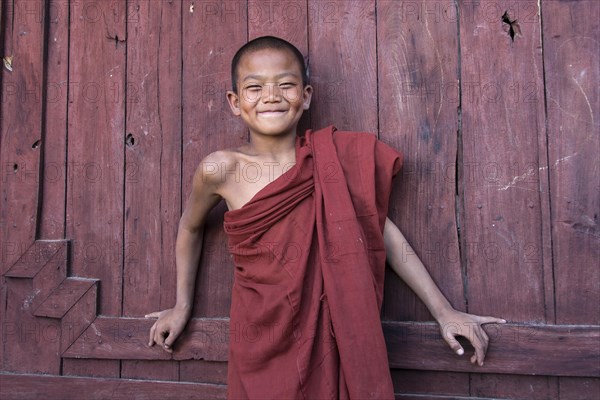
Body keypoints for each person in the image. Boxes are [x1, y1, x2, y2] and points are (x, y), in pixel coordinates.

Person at [146, 36, 506, 399]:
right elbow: (190, 228)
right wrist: (182, 306)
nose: (271, 96)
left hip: (333, 333)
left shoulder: (331, 162)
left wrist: (444, 312)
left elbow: (382, 234)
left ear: (305, 96)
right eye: (254, 88)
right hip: (260, 333)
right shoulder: (220, 169)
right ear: (235, 102)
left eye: (285, 85)